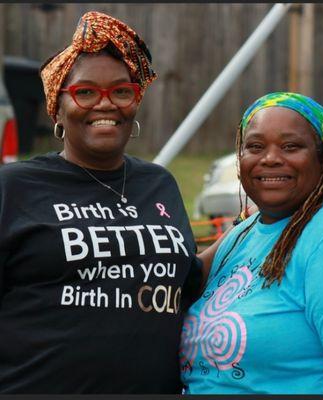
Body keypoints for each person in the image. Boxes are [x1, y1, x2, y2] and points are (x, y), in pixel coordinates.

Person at [0, 11, 203, 393]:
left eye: (121, 91)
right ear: (58, 107)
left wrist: (257, 229)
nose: (106, 104)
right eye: (86, 92)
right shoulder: (15, 188)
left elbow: (185, 278)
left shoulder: (158, 183)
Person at [179, 92, 323, 394]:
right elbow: (178, 277)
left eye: (290, 146)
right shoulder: (245, 231)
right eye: (255, 146)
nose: (270, 158)